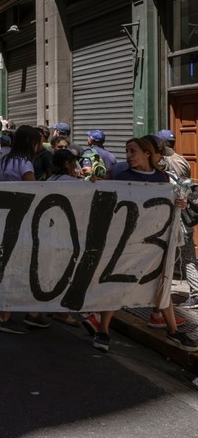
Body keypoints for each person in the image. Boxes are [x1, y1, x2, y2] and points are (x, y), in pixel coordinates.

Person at [87, 137, 197, 353]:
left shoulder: (162, 176)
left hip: (155, 243)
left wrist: (180, 203)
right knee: (116, 283)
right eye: (127, 151)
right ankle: (104, 330)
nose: (128, 155)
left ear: (147, 154)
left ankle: (173, 331)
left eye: (133, 151)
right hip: (125, 242)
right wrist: (93, 183)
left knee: (161, 285)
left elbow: (171, 202)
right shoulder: (120, 173)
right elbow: (101, 192)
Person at [0, 125, 51, 334]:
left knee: (21, 267)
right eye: (37, 142)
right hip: (24, 222)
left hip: (7, 220)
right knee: (21, 268)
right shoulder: (25, 164)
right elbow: (32, 190)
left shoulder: (4, 161)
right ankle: (4, 317)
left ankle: (33, 313)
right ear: (31, 144)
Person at [156, 129, 198, 309]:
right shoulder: (182, 160)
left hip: (173, 218)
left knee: (181, 258)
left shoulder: (164, 164)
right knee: (187, 258)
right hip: (182, 216)